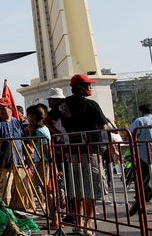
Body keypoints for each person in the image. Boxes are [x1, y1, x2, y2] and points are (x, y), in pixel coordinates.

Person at [58, 74, 112, 235]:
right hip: (90, 152)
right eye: (88, 85)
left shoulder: (63, 105)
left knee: (77, 189)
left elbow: (48, 120)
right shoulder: (92, 105)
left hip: (73, 152)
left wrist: (62, 135)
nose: (90, 88)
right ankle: (87, 225)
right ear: (81, 87)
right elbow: (104, 127)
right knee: (91, 190)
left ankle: (80, 224)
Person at [0, 96, 26, 208]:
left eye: (3, 108)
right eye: (0, 108)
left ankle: (24, 209)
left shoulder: (17, 122)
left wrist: (27, 157)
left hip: (19, 160)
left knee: (23, 187)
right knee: (6, 188)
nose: (1, 111)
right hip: (4, 161)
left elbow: (24, 140)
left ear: (10, 108)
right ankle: (7, 211)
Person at [26, 104, 57, 225]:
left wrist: (49, 161)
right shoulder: (41, 129)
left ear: (33, 116)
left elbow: (46, 148)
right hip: (43, 161)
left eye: (29, 115)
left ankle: (55, 219)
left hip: (43, 162)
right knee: (46, 191)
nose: (27, 118)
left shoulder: (40, 130)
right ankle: (54, 217)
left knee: (47, 191)